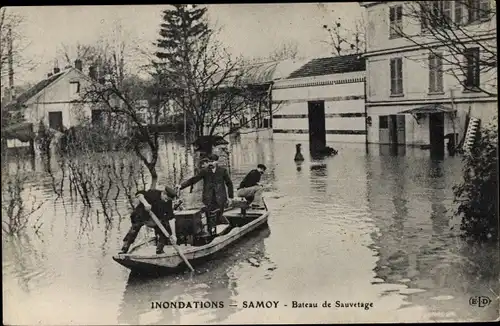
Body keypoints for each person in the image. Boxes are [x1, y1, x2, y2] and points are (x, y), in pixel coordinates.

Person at [176, 154, 233, 227]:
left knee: (219, 216)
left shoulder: (223, 171)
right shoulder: (204, 171)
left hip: (220, 198)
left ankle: (220, 230)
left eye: (213, 161)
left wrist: (231, 197)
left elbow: (229, 183)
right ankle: (211, 230)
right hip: (208, 198)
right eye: (209, 161)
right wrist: (181, 186)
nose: (211, 163)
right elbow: (194, 179)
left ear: (217, 162)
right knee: (209, 217)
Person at [119, 186, 178, 255]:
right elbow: (139, 194)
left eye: (168, 199)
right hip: (141, 215)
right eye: (166, 198)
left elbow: (171, 217)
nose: (166, 201)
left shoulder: (168, 201)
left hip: (154, 218)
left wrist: (174, 235)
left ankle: (160, 250)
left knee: (165, 228)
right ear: (163, 193)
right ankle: (124, 249)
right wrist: (145, 203)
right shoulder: (153, 193)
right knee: (134, 230)